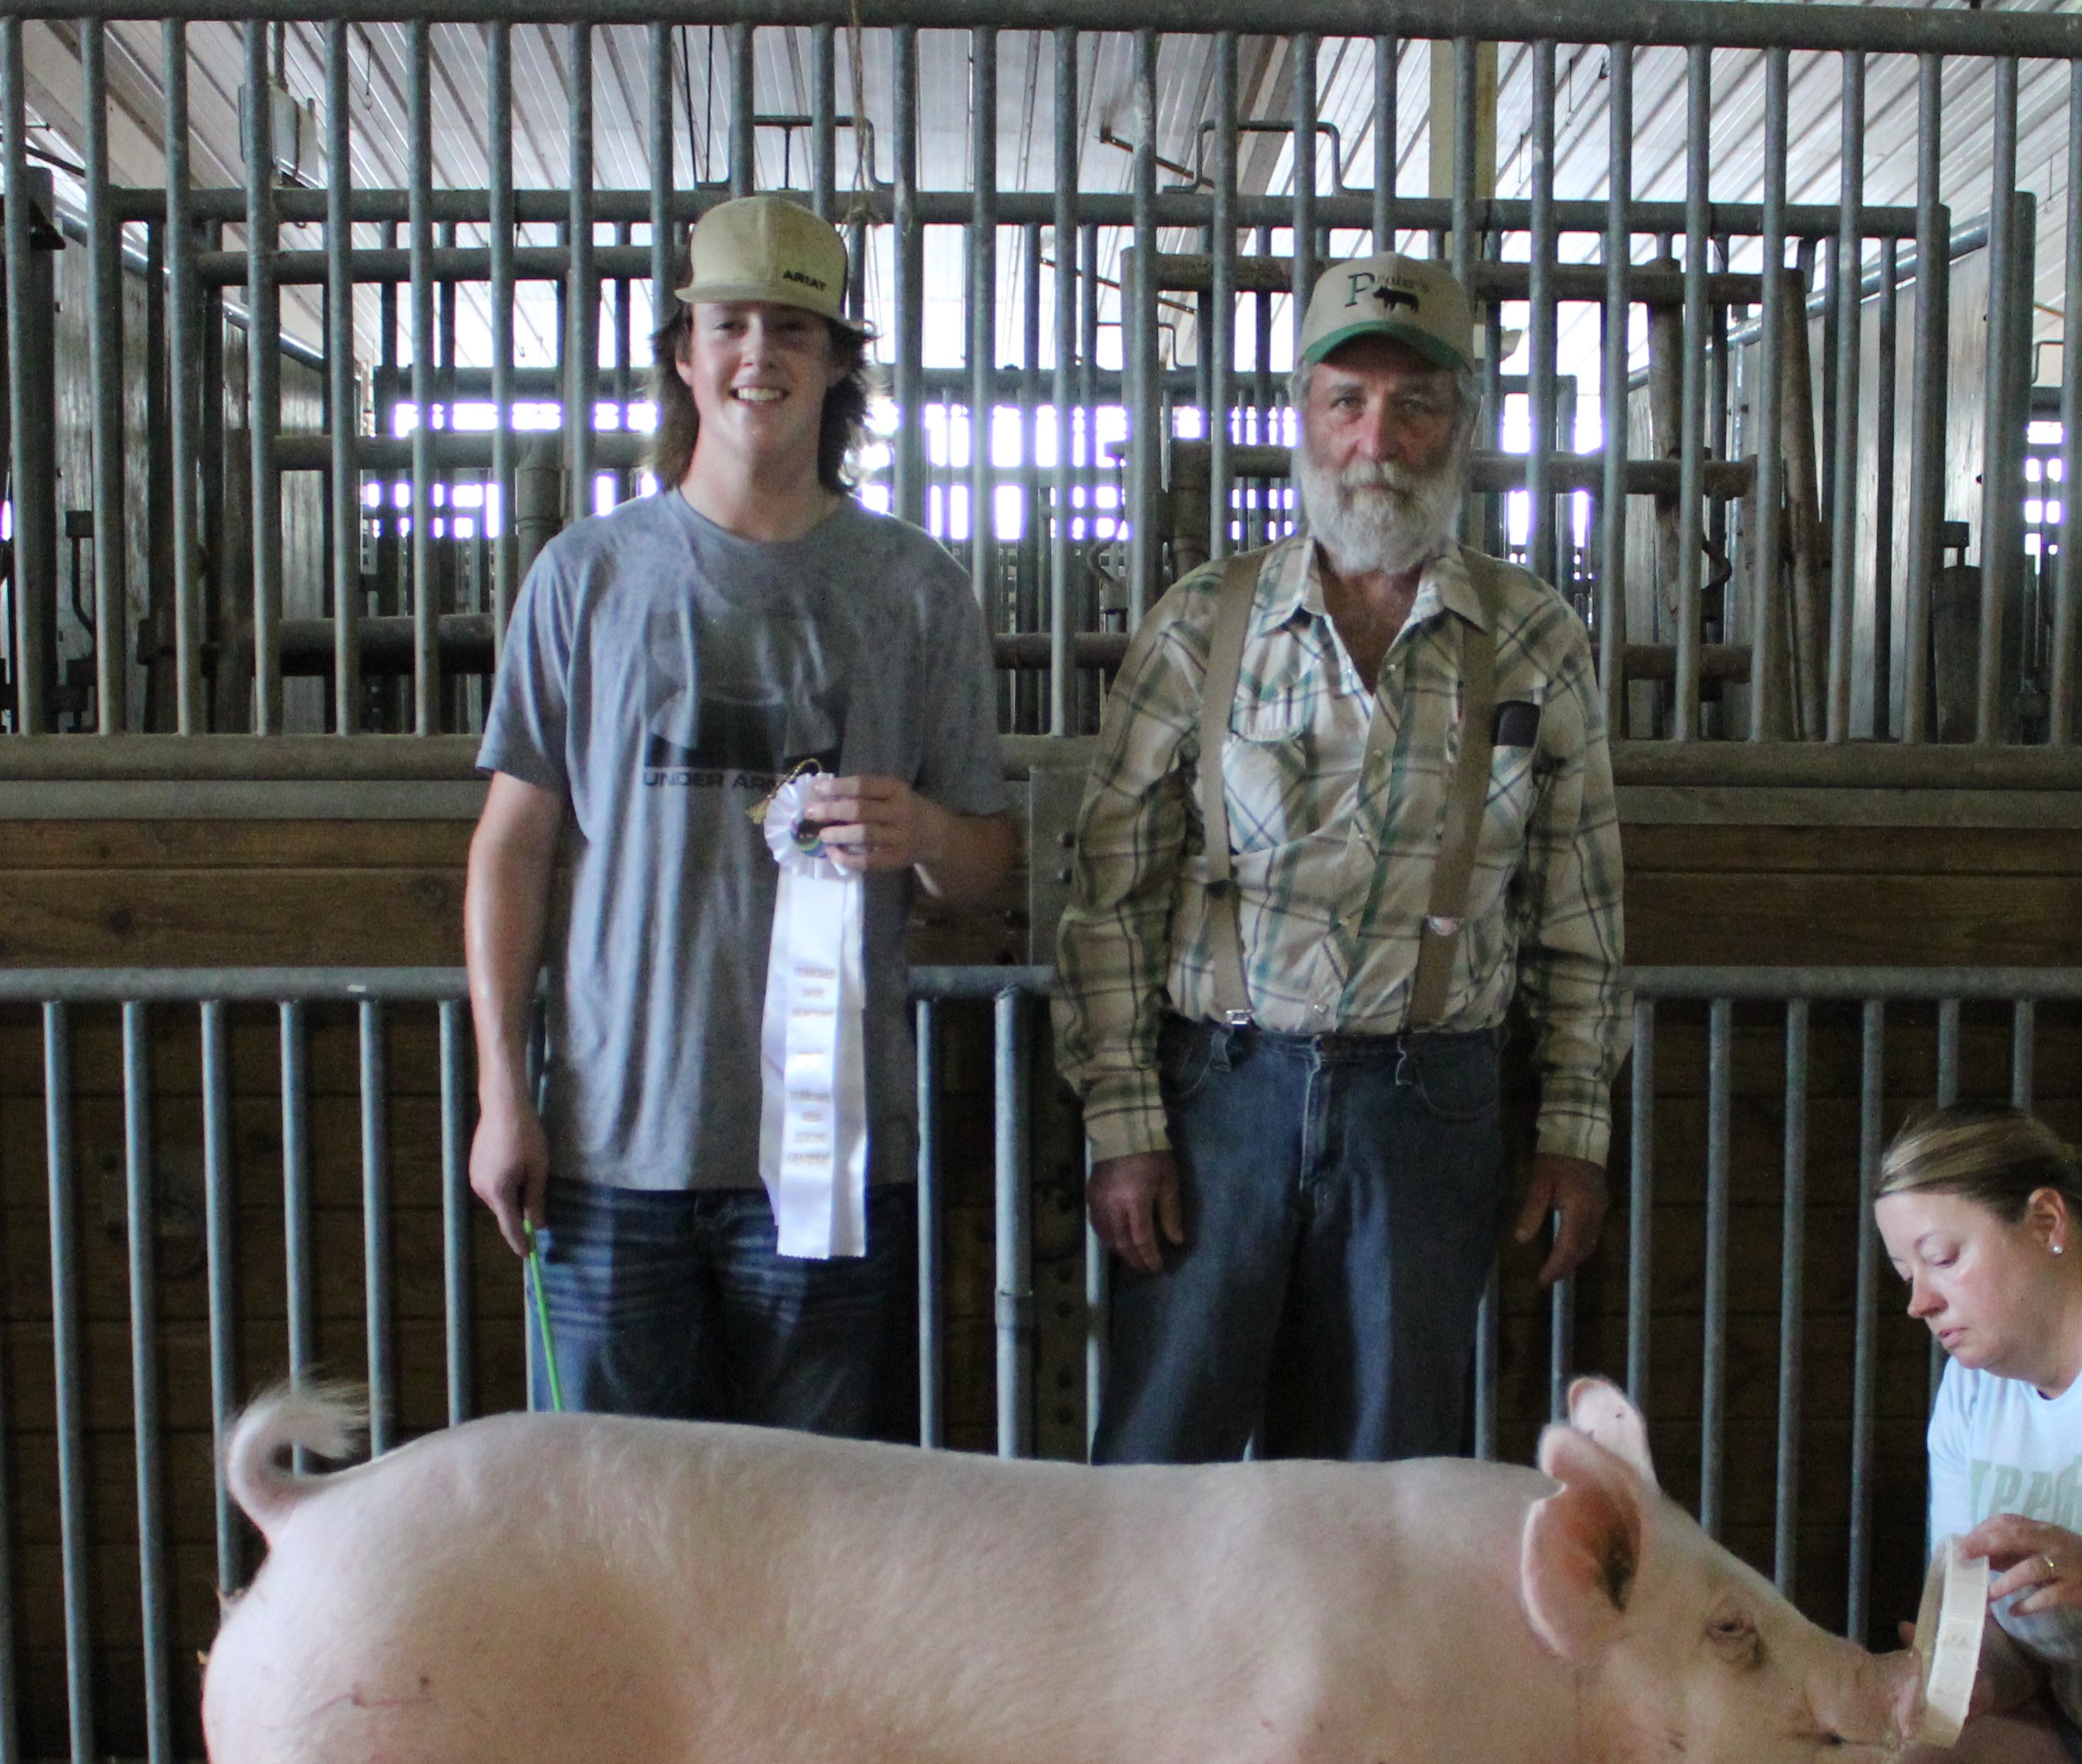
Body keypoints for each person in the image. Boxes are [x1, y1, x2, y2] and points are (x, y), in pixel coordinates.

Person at [1051, 250, 1627, 1465]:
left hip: (1430, 1109)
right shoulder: (1202, 621)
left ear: (1461, 425)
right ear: (1300, 418)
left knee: (1387, 1486)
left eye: (1415, 404)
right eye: (1346, 401)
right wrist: (1124, 1120)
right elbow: (1107, 896)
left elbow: (1578, 911)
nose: (1378, 437)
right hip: (1220, 1097)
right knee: (1163, 1469)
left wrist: (1574, 1125)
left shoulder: (1533, 637)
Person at [466, 194, 1014, 1434]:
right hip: (612, 1151)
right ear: (683, 349)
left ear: (835, 365)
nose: (758, 355)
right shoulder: (585, 576)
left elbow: (985, 866)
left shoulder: (917, 590)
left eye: (793, 328)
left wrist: (924, 834)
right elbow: (513, 843)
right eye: (729, 324)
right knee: (609, 1535)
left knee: (818, 1547)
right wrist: (507, 1092)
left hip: (829, 1168)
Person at [1868, 1103, 2082, 1764]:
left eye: (1941, 1258)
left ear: (2046, 1222)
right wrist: (1962, 1671)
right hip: (2064, 1694)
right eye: (1905, 1273)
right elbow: (1962, 1594)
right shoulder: (1973, 1387)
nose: (1918, 1299)